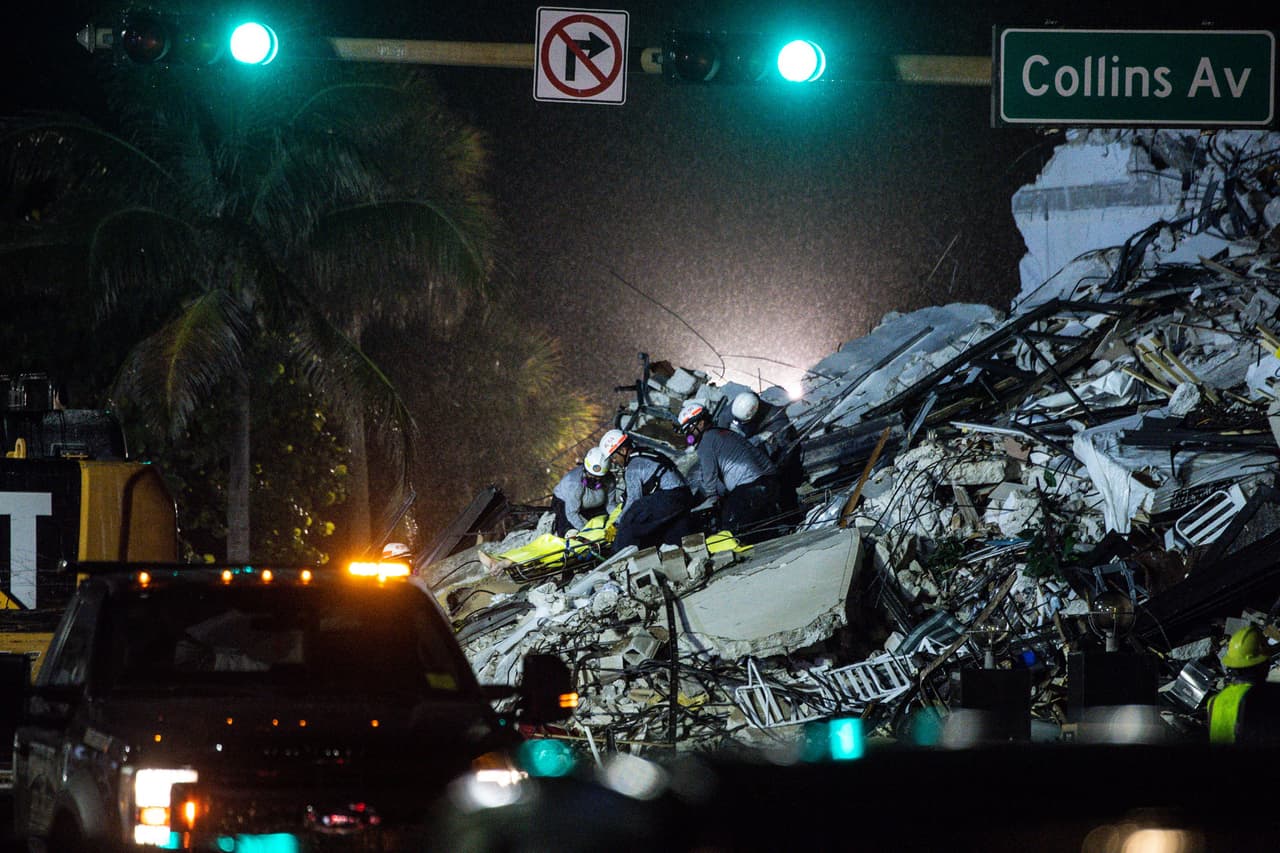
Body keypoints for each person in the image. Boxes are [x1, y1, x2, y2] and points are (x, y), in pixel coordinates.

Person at [677, 399, 783, 544]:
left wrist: (712, 500)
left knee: (732, 528)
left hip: (750, 486)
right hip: (770, 481)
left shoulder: (706, 442)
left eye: (689, 429)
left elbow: (710, 477)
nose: (689, 435)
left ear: (700, 423)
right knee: (762, 527)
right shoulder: (726, 433)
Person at [599, 428, 695, 553]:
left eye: (613, 457)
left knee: (631, 517)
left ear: (623, 450)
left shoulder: (633, 468)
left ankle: (619, 556)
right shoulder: (646, 454)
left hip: (670, 498)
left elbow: (634, 500)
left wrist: (617, 525)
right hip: (684, 496)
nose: (614, 461)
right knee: (672, 538)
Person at [550, 446, 620, 538]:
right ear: (585, 469)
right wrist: (587, 533)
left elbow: (610, 505)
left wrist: (619, 519)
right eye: (590, 475)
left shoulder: (609, 480)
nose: (593, 480)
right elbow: (572, 513)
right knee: (570, 531)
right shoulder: (574, 483)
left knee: (603, 522)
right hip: (563, 501)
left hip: (589, 503)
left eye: (597, 477)